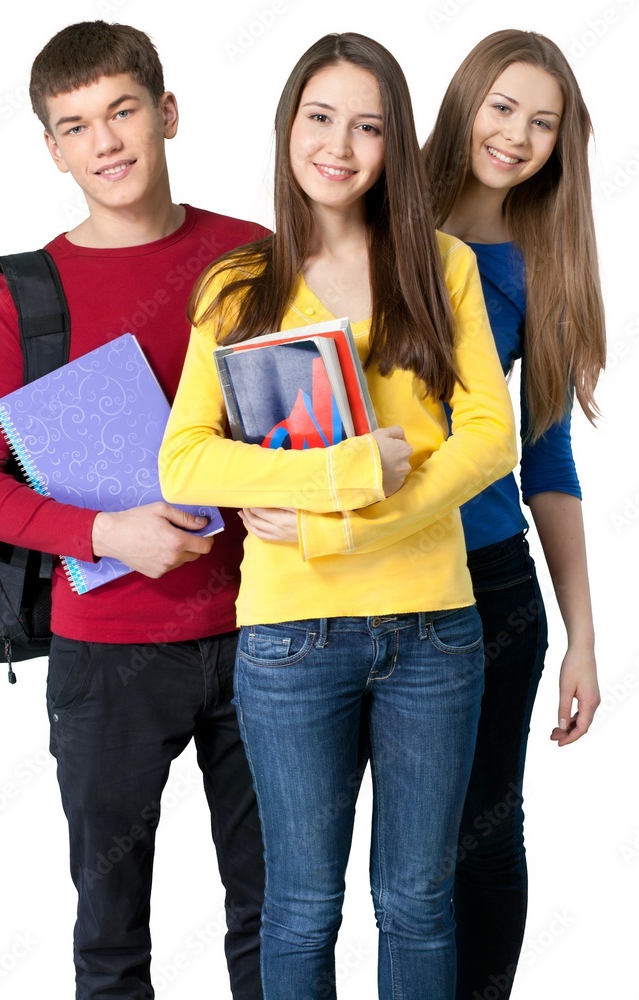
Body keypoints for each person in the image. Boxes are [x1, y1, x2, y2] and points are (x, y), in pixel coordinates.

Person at [159, 31, 518, 1000]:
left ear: (393, 144)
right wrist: (344, 473)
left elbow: (489, 438)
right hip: (287, 638)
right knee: (301, 907)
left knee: (415, 902)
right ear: (287, 128)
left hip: (433, 631)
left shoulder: (439, 266)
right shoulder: (238, 286)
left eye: (367, 126)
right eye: (319, 118)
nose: (339, 146)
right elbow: (184, 456)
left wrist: (347, 526)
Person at [0, 20, 267, 1000]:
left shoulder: (249, 253)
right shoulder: (30, 292)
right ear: (53, 149)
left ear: (165, 113)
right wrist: (103, 532)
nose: (106, 141)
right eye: (76, 125)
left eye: (122, 110)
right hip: (106, 657)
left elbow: (302, 417)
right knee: (111, 939)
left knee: (280, 916)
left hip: (268, 637)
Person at [422, 28, 605, 1000]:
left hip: (490, 589)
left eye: (541, 123)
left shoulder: (537, 267)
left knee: (479, 833)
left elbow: (548, 460)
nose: (515, 136)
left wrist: (581, 636)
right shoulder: (377, 214)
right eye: (502, 107)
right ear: (463, 102)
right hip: (359, 577)